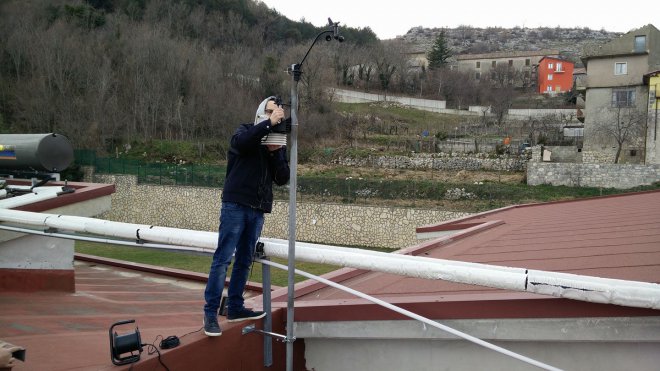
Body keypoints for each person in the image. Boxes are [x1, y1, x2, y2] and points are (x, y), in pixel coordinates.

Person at [203, 96, 290, 336]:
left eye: (278, 114)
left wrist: (275, 153)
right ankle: (210, 314)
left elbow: (283, 178)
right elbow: (241, 144)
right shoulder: (246, 131)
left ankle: (236, 307)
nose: (276, 117)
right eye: (272, 112)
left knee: (244, 259)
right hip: (236, 204)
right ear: (262, 112)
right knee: (223, 259)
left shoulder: (275, 141)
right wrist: (267, 125)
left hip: (257, 209)